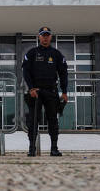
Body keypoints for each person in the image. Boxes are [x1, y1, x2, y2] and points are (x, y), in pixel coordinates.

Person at [22, 26, 69, 157]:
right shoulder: (31, 53)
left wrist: (64, 92)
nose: (45, 37)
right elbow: (25, 72)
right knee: (33, 121)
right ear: (39, 37)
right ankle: (32, 148)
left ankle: (54, 148)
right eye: (43, 35)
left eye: (47, 35)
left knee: (53, 121)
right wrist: (31, 88)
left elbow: (63, 73)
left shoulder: (56, 54)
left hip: (51, 92)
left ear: (51, 37)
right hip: (35, 93)